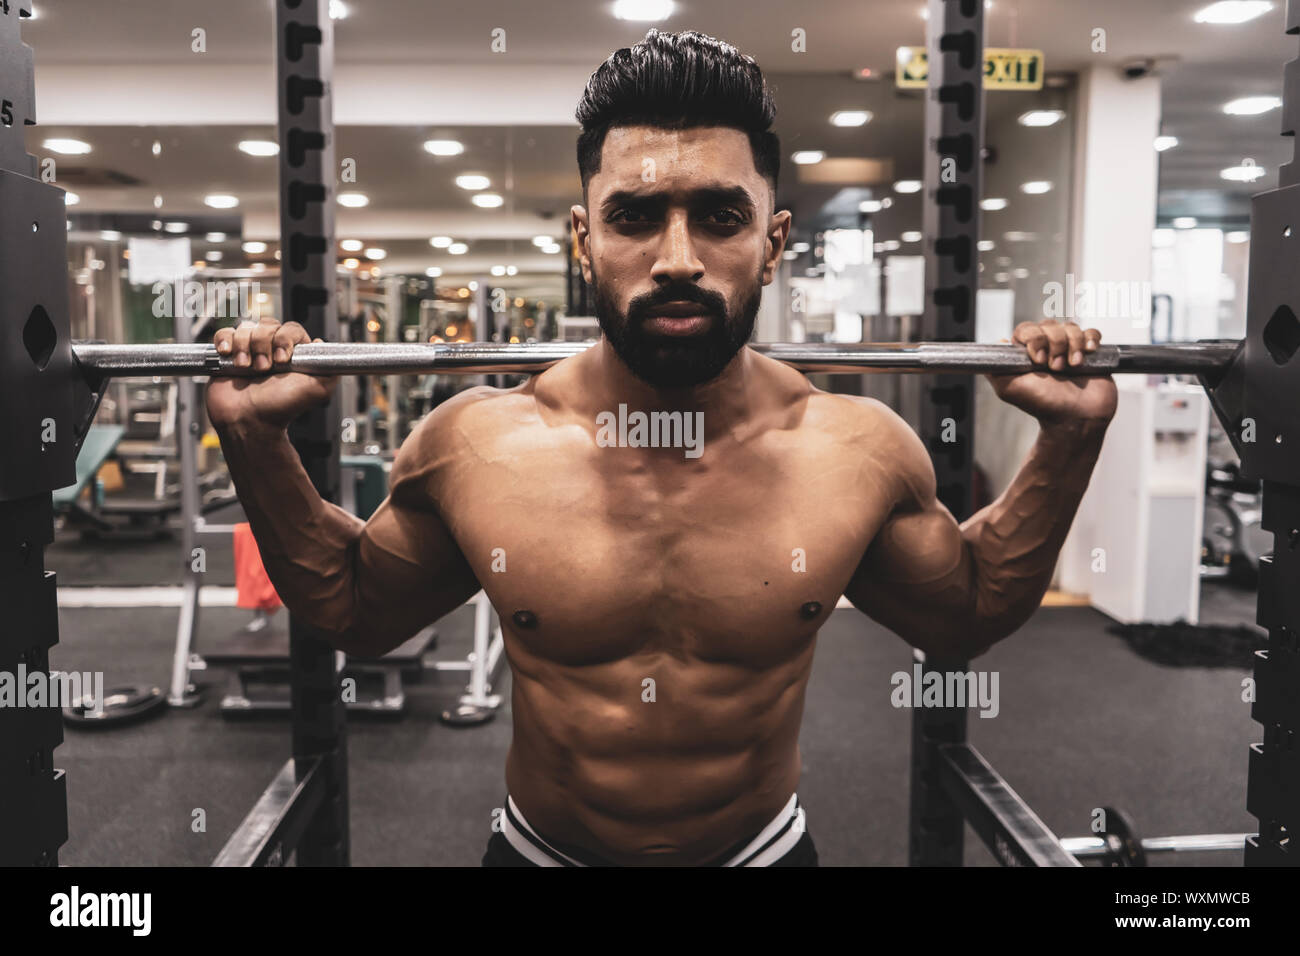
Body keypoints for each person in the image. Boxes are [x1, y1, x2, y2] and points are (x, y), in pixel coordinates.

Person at [206, 29, 1116, 867]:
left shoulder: (855, 450)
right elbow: (357, 614)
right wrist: (253, 439)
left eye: (720, 216)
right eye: (635, 216)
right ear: (584, 239)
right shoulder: (478, 445)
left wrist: (1070, 439)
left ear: (773, 242)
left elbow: (963, 615)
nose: (677, 258)